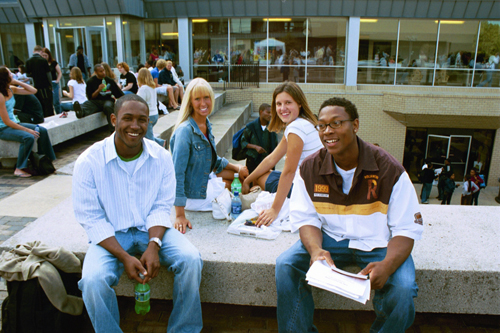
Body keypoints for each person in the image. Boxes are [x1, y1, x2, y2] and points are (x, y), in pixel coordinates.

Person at [276, 97, 423, 332]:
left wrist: (387, 265)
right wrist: (315, 251)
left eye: (336, 123)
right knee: (286, 264)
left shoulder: (389, 169)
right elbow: (305, 218)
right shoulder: (310, 168)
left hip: (378, 243)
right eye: (322, 125)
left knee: (404, 288)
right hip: (331, 240)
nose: (327, 131)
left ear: (355, 125)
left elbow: (406, 229)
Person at [73, 94, 203, 332]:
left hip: (150, 230)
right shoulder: (88, 162)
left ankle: (184, 329)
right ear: (114, 119)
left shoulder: (162, 158)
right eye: (128, 118)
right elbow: (91, 218)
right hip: (110, 235)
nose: (135, 126)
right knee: (93, 281)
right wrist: (124, 256)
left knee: (191, 260)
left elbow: (161, 206)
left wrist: (153, 245)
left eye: (142, 120)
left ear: (149, 123)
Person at [169, 78, 248, 234]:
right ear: (190, 102)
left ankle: (243, 196)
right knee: (229, 183)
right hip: (193, 194)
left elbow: (211, 159)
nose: (203, 103)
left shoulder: (206, 124)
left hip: (203, 176)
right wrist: (179, 215)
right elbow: (177, 173)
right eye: (197, 99)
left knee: (242, 175)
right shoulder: (185, 131)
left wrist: (236, 167)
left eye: (206, 98)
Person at [241, 82, 323, 227]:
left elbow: (289, 171)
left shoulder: (296, 127)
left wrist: (274, 210)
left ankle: (256, 192)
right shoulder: (305, 122)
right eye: (278, 104)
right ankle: (252, 186)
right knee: (265, 172)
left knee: (261, 177)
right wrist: (247, 180)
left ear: (299, 103)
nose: (282, 108)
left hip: (306, 190)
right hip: (312, 184)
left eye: (288, 103)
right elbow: (272, 158)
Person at [0, 67, 56, 177]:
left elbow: (33, 91)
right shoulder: (0, 96)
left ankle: (45, 160)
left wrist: (17, 82)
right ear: (4, 78)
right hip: (3, 128)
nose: (13, 75)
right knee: (28, 137)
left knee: (42, 130)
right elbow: (6, 121)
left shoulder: (11, 89)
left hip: (15, 123)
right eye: (10, 74)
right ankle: (19, 168)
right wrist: (27, 130)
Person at [73, 64, 124, 132]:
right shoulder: (90, 81)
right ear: (96, 72)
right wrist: (98, 90)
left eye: (103, 70)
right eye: (101, 71)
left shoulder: (109, 81)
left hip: (107, 100)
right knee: (87, 104)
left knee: (108, 106)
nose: (103, 72)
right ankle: (80, 112)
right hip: (96, 101)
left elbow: (119, 94)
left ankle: (113, 130)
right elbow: (90, 97)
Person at [240, 103, 278, 174]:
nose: (270, 115)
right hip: (253, 161)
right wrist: (255, 147)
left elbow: (275, 144)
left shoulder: (272, 128)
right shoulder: (251, 127)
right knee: (252, 182)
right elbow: (243, 142)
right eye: (268, 112)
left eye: (271, 113)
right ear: (261, 112)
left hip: (268, 162)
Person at [136, 68, 164, 147]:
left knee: (149, 138)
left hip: (148, 115)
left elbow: (138, 102)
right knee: (147, 135)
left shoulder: (143, 89)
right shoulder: (152, 87)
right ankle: (161, 142)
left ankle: (159, 147)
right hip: (154, 114)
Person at [25, 45, 54, 117]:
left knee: (39, 102)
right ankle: (50, 116)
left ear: (33, 51)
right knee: (48, 103)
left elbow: (28, 74)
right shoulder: (43, 60)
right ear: (41, 51)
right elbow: (48, 74)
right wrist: (50, 84)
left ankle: (42, 116)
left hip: (36, 86)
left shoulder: (28, 61)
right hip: (45, 85)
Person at [41, 48, 63, 115]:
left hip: (53, 82)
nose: (44, 57)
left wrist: (57, 80)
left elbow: (59, 72)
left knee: (56, 101)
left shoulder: (53, 63)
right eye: (43, 56)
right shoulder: (42, 63)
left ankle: (59, 113)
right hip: (46, 83)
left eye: (46, 55)